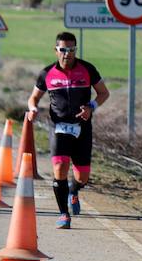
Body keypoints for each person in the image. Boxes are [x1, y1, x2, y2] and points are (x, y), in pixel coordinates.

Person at [27, 31, 109, 229]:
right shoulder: (47, 73)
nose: (67, 54)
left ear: (75, 50)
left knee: (82, 177)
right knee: (60, 167)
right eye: (63, 49)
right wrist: (33, 108)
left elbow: (103, 93)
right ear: (56, 50)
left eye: (71, 49)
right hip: (59, 127)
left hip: (82, 128)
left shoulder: (87, 69)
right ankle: (64, 213)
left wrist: (91, 107)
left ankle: (74, 190)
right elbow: (34, 98)